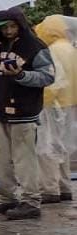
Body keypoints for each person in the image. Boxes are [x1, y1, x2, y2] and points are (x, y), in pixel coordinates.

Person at [0, 8, 54, 220]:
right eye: (4, 27)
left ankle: (31, 201)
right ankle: (7, 198)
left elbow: (48, 77)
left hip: (24, 111)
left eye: (12, 26)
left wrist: (21, 75)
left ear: (20, 25)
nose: (9, 31)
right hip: (2, 110)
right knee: (2, 158)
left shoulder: (35, 47)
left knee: (24, 160)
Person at [34, 15, 76, 203]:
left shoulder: (52, 50)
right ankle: (65, 187)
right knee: (63, 147)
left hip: (50, 104)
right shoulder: (70, 49)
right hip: (69, 104)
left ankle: (50, 189)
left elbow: (52, 80)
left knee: (46, 147)